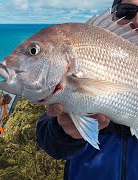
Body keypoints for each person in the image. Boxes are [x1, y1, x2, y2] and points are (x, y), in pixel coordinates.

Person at [36, 0, 138, 179]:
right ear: (114, 13)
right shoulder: (88, 55)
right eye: (128, 10)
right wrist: (64, 131)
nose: (137, 20)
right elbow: (48, 141)